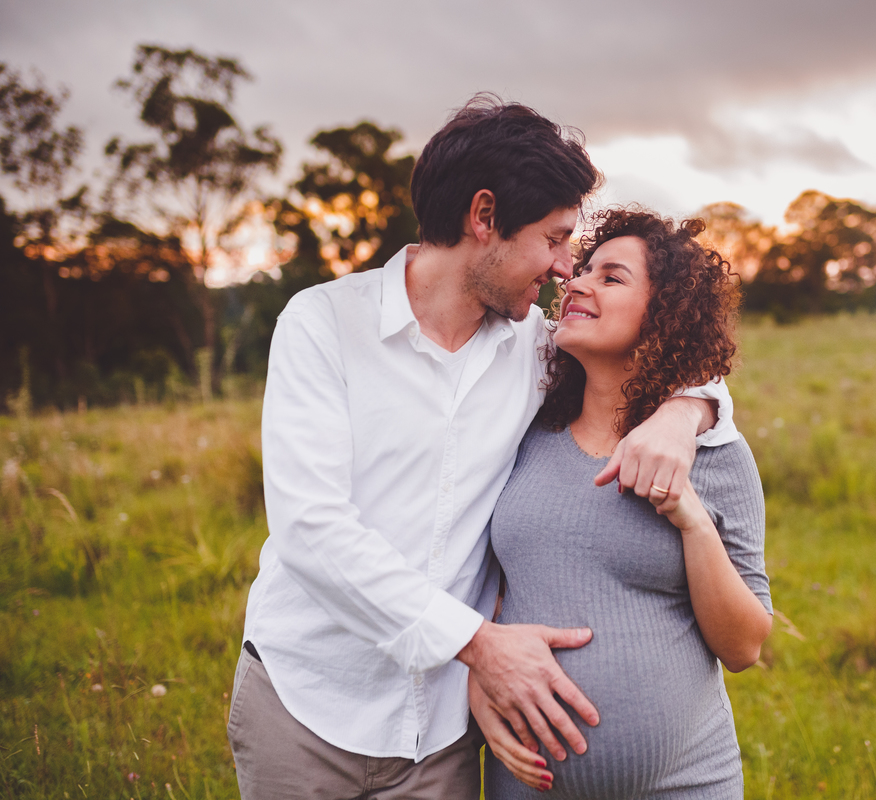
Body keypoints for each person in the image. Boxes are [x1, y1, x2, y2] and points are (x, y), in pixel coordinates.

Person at [225, 97, 737, 800]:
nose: (566, 269)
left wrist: (686, 411)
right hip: (309, 704)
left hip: (439, 735)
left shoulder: (537, 350)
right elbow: (311, 529)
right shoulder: (322, 325)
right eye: (556, 239)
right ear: (484, 217)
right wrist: (478, 645)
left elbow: (663, 351)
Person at [471, 209, 773, 798]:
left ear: (663, 316)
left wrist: (692, 522)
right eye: (580, 271)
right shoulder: (522, 433)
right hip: (526, 785)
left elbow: (744, 647)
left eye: (611, 277)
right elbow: (477, 581)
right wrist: (476, 677)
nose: (576, 282)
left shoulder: (713, 455)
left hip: (686, 783)